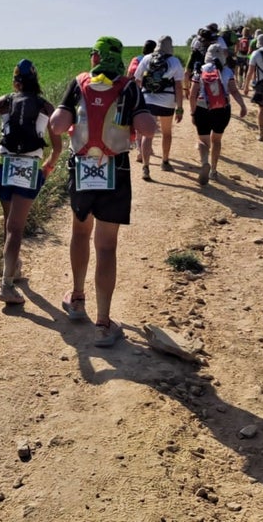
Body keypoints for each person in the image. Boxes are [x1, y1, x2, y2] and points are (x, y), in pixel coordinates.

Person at [49, 37, 156, 346]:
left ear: (95, 57)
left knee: (80, 233)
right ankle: (104, 324)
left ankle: (76, 299)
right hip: (115, 169)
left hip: (82, 168)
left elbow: (57, 125)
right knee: (106, 247)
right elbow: (148, 128)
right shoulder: (128, 86)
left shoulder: (79, 82)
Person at [0, 58, 63, 305]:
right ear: (36, 82)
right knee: (16, 227)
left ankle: (14, 269)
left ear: (16, 82)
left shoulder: (6, 101)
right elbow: (57, 146)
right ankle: (7, 285)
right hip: (28, 168)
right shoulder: (45, 107)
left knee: (9, 222)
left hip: (3, 165)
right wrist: (48, 166)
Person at [187, 42, 247, 185]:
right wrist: (242, 105)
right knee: (216, 140)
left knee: (203, 140)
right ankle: (213, 170)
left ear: (207, 55)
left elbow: (192, 94)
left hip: (203, 109)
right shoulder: (227, 71)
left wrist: (193, 112)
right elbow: (234, 91)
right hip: (222, 110)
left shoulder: (200, 70)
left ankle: (204, 162)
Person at [134, 34, 185, 180]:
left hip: (147, 100)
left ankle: (146, 167)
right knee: (166, 133)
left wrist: (138, 100)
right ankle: (165, 161)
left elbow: (137, 80)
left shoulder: (146, 58)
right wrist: (179, 107)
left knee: (147, 134)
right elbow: (178, 86)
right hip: (167, 102)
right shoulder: (174, 61)